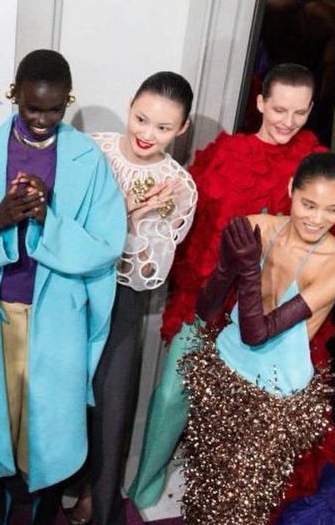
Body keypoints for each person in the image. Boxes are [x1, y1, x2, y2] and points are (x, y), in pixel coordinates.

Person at [0, 50, 126, 524]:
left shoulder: (87, 160)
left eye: (54, 109)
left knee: (49, 425)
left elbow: (105, 244)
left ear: (68, 100)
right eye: (32, 107)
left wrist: (48, 220)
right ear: (15, 95)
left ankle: (44, 507)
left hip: (58, 316)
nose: (42, 120)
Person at [130, 63, 333, 510]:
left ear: (310, 110)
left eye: (299, 112)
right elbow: (193, 235)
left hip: (275, 317)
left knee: (249, 433)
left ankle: (215, 492)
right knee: (171, 395)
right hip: (210, 298)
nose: (287, 121)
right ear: (260, 103)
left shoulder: (316, 169)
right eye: (279, 109)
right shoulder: (224, 154)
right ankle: (143, 489)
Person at [67, 72, 198, 525]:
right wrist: (123, 213)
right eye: (141, 119)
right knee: (60, 391)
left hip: (122, 299)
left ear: (182, 129)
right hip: (68, 287)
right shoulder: (92, 150)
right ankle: (49, 484)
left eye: (163, 127)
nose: (147, 134)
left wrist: (139, 221)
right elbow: (65, 227)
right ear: (129, 107)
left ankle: (96, 496)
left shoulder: (178, 187)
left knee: (110, 402)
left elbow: (148, 273)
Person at [178, 154, 335, 523]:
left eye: (331, 210)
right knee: (205, 484)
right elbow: (206, 310)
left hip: (274, 404)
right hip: (222, 375)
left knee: (239, 506)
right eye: (308, 204)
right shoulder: (258, 227)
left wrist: (249, 269)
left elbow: (257, 334)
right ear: (290, 190)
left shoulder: (332, 264)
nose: (317, 219)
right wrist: (225, 266)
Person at [257, 0, 335, 145]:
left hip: (264, 101)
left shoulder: (265, 7)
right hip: (306, 114)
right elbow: (328, 89)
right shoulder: (329, 19)